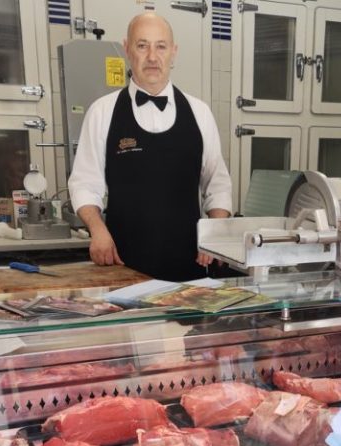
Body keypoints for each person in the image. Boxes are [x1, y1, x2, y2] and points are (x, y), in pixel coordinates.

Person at [68, 12, 232, 282]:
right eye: (142, 46)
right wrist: (97, 230)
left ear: (174, 52)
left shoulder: (200, 113)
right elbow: (85, 183)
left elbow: (218, 186)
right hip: (123, 266)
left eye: (161, 46)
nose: (152, 57)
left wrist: (213, 234)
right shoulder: (102, 112)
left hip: (189, 268)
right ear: (127, 49)